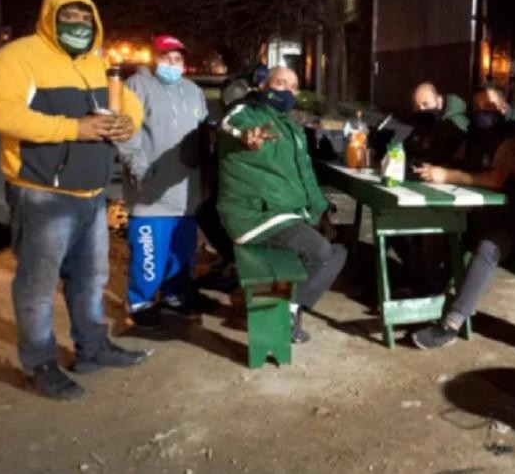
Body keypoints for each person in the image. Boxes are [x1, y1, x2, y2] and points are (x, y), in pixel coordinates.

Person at [0, 0, 148, 400]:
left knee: (91, 278)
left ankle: (92, 348)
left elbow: (128, 104)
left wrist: (129, 121)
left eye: (85, 17)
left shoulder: (95, 64)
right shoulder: (17, 57)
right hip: (41, 194)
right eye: (69, 17)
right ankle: (40, 364)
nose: (78, 24)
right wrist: (74, 129)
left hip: (91, 194)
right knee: (37, 287)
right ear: (49, 17)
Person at [410, 84, 515, 349]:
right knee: (439, 228)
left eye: (490, 106)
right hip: (492, 212)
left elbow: (497, 178)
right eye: (478, 107)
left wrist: (447, 175)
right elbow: (461, 160)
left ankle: (451, 324)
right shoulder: (478, 132)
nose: (483, 112)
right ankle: (430, 294)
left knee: (488, 247)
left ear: (504, 108)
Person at [217, 67, 346, 342]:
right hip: (255, 215)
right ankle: (280, 313)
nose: (287, 90)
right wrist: (247, 135)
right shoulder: (247, 111)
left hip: (284, 214)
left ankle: (288, 307)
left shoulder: (292, 128)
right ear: (264, 86)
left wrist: (321, 212)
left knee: (339, 251)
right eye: (280, 83)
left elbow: (306, 175)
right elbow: (232, 123)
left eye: (293, 86)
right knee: (319, 252)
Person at [117, 35, 209, 329]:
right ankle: (140, 301)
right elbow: (127, 134)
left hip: (186, 193)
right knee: (149, 255)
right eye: (166, 57)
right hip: (150, 193)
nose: (172, 63)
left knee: (181, 253)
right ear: (154, 59)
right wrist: (139, 169)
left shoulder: (193, 91)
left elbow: (203, 134)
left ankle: (175, 295)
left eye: (178, 58)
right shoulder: (137, 86)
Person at [390, 82, 469, 295]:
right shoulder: (424, 124)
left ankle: (431, 288)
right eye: (417, 106)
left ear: (440, 101)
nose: (422, 110)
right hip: (430, 190)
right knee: (393, 224)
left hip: (455, 198)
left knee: (420, 232)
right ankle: (422, 282)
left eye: (426, 104)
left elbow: (451, 162)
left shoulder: (455, 125)